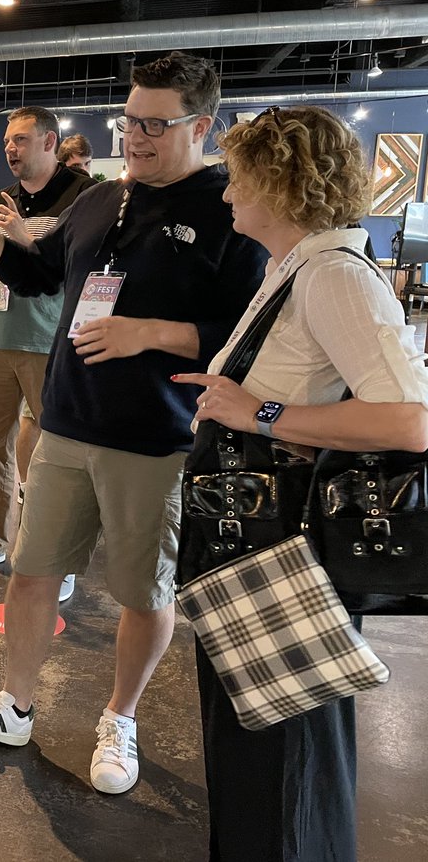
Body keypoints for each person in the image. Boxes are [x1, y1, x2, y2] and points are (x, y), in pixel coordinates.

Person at [0, 52, 266, 794]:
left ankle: (121, 718)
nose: (134, 136)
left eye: (154, 125)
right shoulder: (101, 199)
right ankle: (16, 705)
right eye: (128, 120)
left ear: (201, 126)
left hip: (156, 438)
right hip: (68, 426)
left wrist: (152, 333)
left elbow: (249, 332)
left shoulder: (232, 207)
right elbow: (35, 272)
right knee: (32, 572)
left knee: (144, 592)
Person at [172, 105, 428, 861]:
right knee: (258, 744)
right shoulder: (300, 270)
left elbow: (410, 424)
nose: (226, 196)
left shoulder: (336, 277)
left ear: (281, 184)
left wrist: (261, 411)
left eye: (239, 178)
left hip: (282, 554)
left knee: (282, 757)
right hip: (256, 553)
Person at [0, 106, 94, 581]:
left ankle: (61, 562)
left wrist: (22, 240)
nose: (11, 149)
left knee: (57, 458)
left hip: (49, 343)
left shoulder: (83, 196)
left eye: (22, 140)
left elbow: (80, 277)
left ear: (51, 142)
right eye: (8, 140)